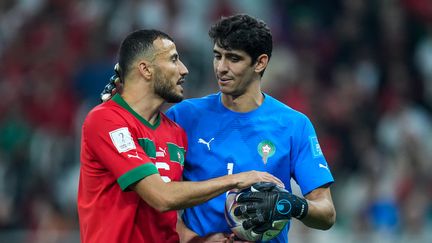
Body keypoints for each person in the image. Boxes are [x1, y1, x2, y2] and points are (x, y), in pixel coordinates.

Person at [78, 29, 284, 243]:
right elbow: (161, 197)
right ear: (146, 69)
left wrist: (202, 240)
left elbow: (167, 219)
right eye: (173, 59)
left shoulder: (175, 133)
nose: (184, 70)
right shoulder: (106, 120)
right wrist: (236, 179)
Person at [165, 14, 336, 242]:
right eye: (218, 56)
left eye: (234, 59)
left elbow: (326, 213)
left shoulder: (294, 125)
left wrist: (292, 205)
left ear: (260, 62)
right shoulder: (183, 116)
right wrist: (196, 240)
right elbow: (158, 197)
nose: (221, 67)